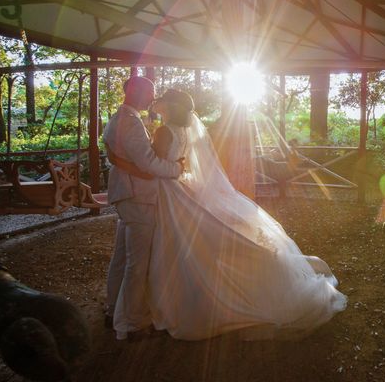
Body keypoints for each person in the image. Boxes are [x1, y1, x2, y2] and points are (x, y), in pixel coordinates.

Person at [145, 89, 347, 340]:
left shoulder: (164, 131)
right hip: (181, 185)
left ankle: (185, 301)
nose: (158, 102)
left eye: (162, 99)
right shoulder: (184, 131)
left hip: (171, 189)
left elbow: (150, 164)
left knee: (179, 241)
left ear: (170, 105)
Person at [102, 77, 184, 341]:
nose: (152, 97)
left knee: (122, 258)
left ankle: (114, 310)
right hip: (137, 196)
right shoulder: (131, 122)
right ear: (136, 91)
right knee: (137, 263)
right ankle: (131, 323)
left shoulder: (120, 119)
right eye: (149, 92)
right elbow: (148, 163)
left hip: (128, 195)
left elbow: (119, 156)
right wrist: (178, 169)